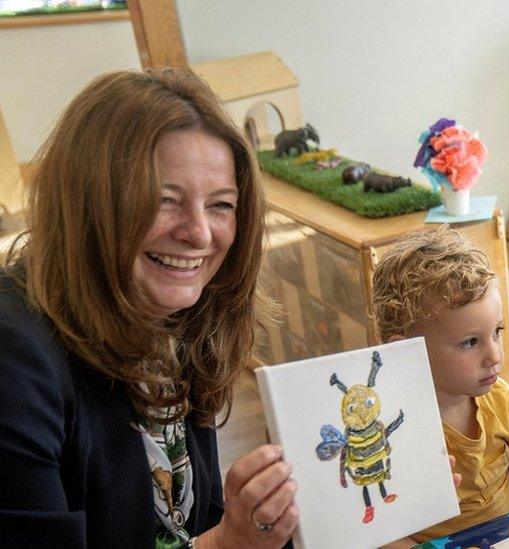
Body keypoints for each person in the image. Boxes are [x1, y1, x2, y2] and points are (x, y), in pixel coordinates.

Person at [0, 69, 298, 548]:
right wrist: (230, 543)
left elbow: (192, 524)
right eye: (164, 200)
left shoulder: (179, 319)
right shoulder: (14, 358)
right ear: (88, 203)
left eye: (220, 205)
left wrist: (307, 504)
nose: (199, 233)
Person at [370, 227, 509, 546]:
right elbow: (382, 533)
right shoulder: (386, 432)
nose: (494, 355)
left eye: (497, 331)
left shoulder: (506, 404)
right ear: (407, 352)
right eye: (470, 342)